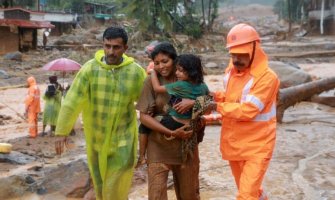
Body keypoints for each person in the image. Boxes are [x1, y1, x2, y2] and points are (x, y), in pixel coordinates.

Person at [54, 26, 146, 200]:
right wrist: (62, 131)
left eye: (116, 47)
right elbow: (72, 100)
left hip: (123, 140)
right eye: (107, 46)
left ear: (125, 48)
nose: (111, 51)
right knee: (100, 185)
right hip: (96, 139)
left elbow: (148, 100)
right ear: (102, 45)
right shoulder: (90, 70)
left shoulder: (134, 72)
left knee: (114, 185)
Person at [205, 23, 280, 200]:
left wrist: (215, 106)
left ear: (255, 50)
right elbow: (232, 99)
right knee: (251, 191)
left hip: (257, 146)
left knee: (246, 195)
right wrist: (214, 96)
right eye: (233, 55)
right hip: (235, 143)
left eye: (242, 55)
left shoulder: (267, 78)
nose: (237, 59)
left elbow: (249, 110)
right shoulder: (231, 72)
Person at [136, 42, 200, 200]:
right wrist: (171, 132)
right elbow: (143, 117)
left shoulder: (190, 79)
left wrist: (193, 103)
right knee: (156, 195)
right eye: (156, 63)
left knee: (189, 195)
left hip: (186, 148)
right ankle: (141, 156)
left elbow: (211, 103)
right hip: (158, 146)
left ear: (175, 60)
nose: (161, 67)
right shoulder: (151, 81)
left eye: (165, 61)